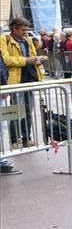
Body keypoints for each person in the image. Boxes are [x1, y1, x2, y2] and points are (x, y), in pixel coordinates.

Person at [0, 17, 45, 149]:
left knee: (28, 111)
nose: (25, 33)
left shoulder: (27, 40)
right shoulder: (4, 40)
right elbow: (6, 60)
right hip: (15, 81)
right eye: (23, 30)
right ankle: (14, 140)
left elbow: (32, 56)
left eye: (26, 30)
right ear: (14, 28)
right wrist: (26, 60)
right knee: (15, 111)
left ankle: (27, 138)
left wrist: (38, 59)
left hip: (29, 79)